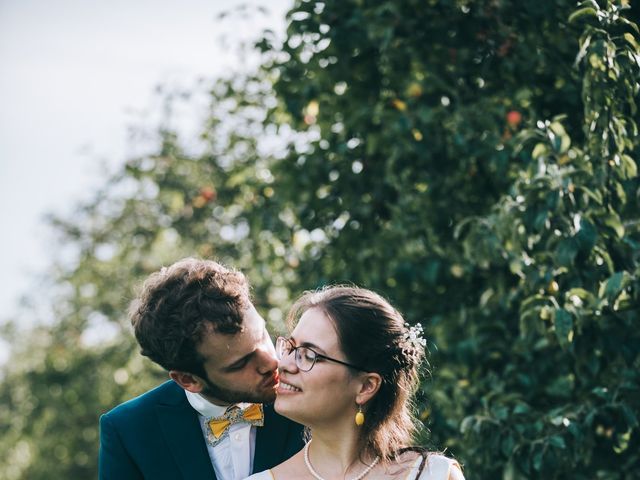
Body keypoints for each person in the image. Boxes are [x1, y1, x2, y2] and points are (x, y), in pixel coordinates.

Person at [98, 258, 304, 480]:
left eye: (262, 335)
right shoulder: (128, 431)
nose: (271, 362)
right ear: (188, 380)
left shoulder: (312, 392)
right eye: (241, 363)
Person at [246, 286, 464, 480]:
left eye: (309, 355)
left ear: (366, 386)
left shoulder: (433, 474)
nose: (284, 364)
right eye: (290, 348)